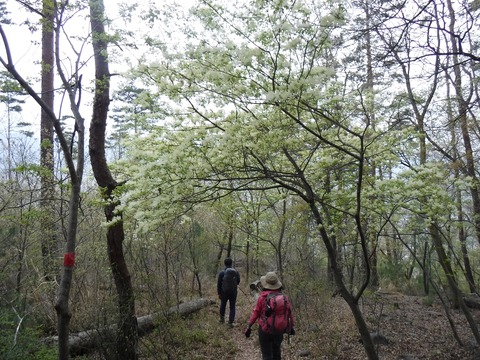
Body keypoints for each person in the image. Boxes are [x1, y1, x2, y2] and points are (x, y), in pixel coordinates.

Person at [244, 271, 295, 360]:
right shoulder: (284, 297)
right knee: (277, 353)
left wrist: (249, 326)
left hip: (265, 330)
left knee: (267, 355)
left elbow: (255, 313)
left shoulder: (262, 297)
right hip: (279, 330)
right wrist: (291, 328)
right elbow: (289, 314)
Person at [217, 257, 240, 327]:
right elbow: (238, 282)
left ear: (224, 263)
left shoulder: (221, 273)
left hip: (224, 292)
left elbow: (219, 284)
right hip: (233, 292)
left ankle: (222, 320)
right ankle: (230, 322)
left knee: (223, 305)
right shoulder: (236, 272)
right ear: (231, 263)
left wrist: (219, 293)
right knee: (232, 306)